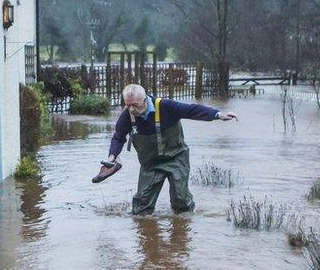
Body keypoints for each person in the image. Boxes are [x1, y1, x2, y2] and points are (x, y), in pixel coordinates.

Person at [94, 83, 238, 215]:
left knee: (180, 200)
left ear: (145, 100)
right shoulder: (127, 115)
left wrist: (218, 115)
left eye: (135, 105)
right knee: (141, 207)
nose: (131, 109)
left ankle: (182, 227)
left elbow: (191, 110)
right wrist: (112, 157)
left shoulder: (165, 106)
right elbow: (118, 137)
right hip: (150, 164)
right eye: (128, 105)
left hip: (176, 157)